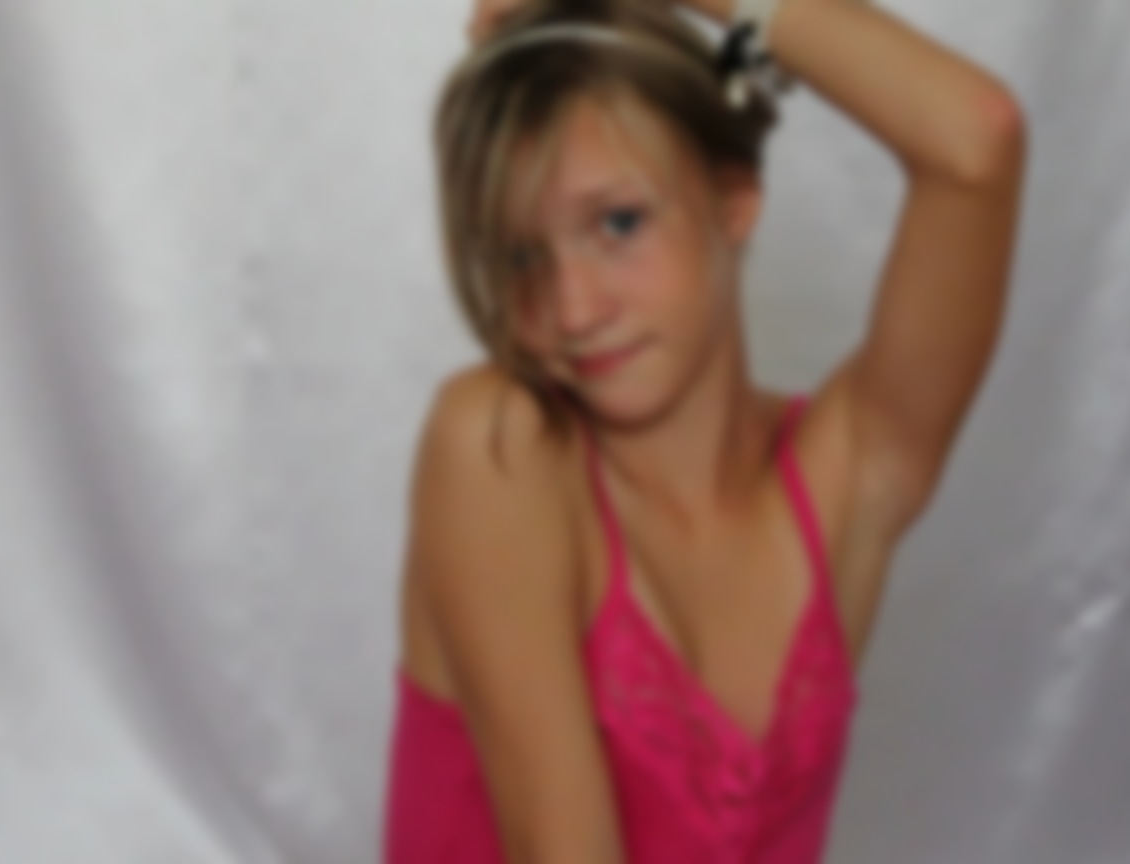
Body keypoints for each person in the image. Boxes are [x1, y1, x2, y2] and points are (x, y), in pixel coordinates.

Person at [384, 0, 1025, 859]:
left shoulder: (847, 476)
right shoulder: (500, 448)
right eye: (522, 256)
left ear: (734, 198)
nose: (573, 310)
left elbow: (977, 139)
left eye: (619, 223)